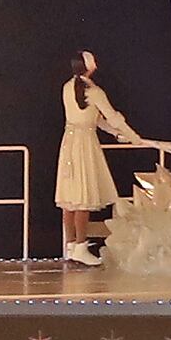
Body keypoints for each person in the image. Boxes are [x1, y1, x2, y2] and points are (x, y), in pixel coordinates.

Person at [54, 49, 146, 267]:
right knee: (81, 197)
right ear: (88, 65)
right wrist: (134, 138)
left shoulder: (68, 87)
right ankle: (79, 246)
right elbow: (112, 117)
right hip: (84, 144)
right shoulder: (93, 91)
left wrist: (118, 134)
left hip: (70, 141)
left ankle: (71, 246)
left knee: (71, 197)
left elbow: (95, 119)